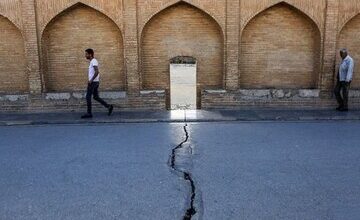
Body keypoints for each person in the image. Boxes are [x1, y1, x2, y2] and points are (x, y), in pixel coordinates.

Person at [81, 49, 113, 119]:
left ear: (90, 54)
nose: (85, 55)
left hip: (93, 82)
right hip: (95, 82)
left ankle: (89, 113)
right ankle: (109, 106)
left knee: (88, 97)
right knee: (95, 97)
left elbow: (97, 71)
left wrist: (91, 80)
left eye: (86, 54)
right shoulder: (92, 62)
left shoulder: (94, 61)